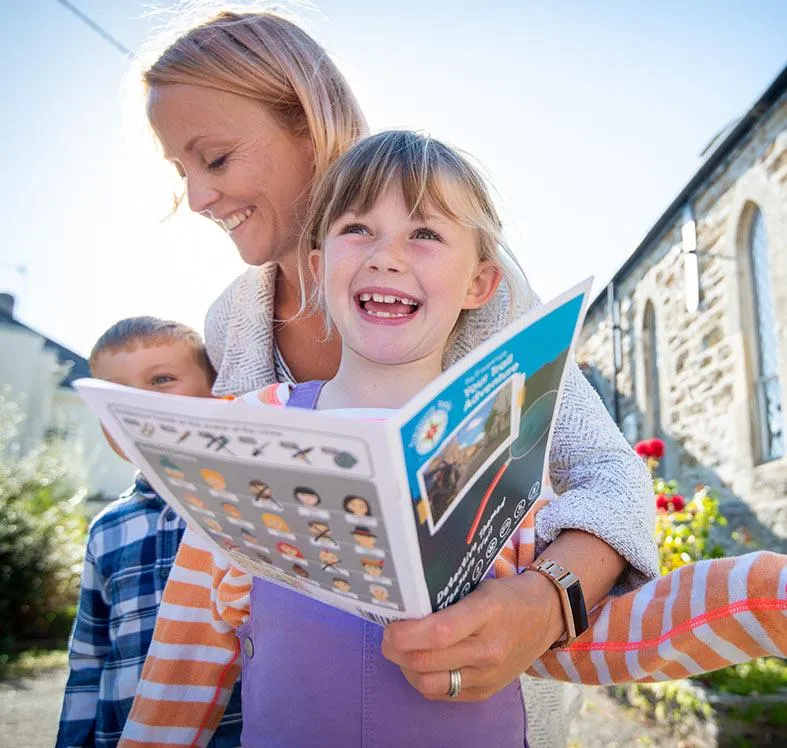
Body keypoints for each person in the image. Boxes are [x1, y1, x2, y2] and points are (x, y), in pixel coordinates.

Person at [120, 132, 787, 747]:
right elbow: (187, 651)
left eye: (423, 234)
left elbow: (581, 640)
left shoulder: (504, 444)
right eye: (358, 229)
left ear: (479, 284)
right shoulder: (253, 428)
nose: (386, 255)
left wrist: (763, 593)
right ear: (319, 268)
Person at [131, 10, 659, 747]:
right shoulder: (231, 320)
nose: (196, 197)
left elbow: (605, 473)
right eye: (179, 171)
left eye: (213, 159)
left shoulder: (476, 287)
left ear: (307, 128)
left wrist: (543, 601)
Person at [55, 317, 243, 748]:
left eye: (162, 379)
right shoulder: (107, 528)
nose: (136, 403)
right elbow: (88, 659)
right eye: (115, 393)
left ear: (215, 392)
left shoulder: (242, 509)